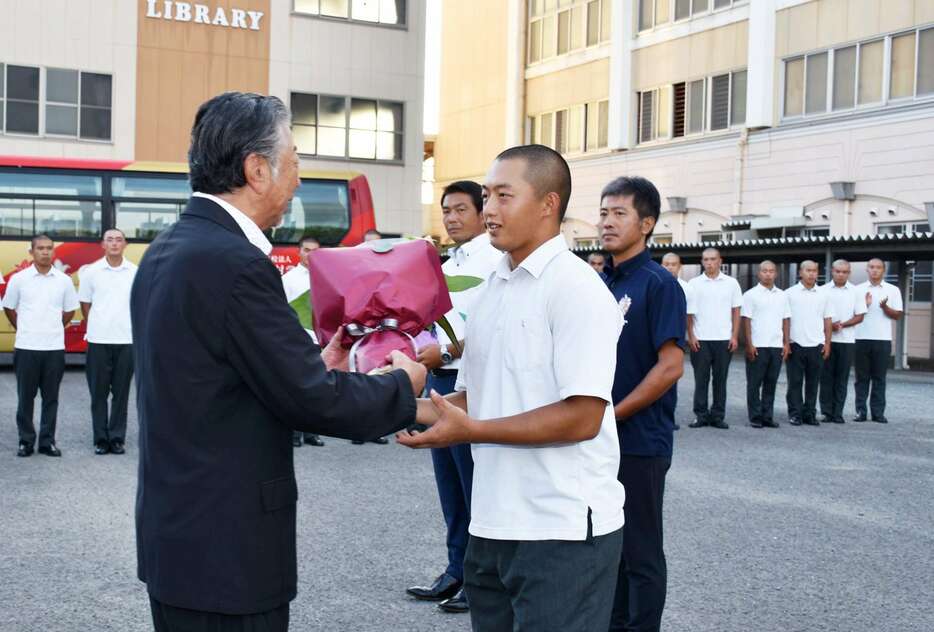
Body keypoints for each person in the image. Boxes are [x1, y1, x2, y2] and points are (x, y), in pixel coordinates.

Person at [131, 92, 426, 632]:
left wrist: (316, 362)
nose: (297, 178)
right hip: (227, 552)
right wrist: (403, 386)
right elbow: (314, 402)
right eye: (294, 161)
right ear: (257, 169)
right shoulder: (236, 263)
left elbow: (220, 377)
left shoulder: (168, 248)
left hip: (181, 537)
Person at [399, 144, 625, 632]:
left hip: (560, 530)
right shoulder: (492, 288)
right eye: (486, 196)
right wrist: (395, 400)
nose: (490, 210)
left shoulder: (576, 289)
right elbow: (476, 398)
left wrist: (470, 428)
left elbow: (583, 416)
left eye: (504, 195)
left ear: (548, 204)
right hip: (493, 524)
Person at [407, 180, 502, 615]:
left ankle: (479, 578)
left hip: (469, 382)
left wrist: (445, 349)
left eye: (461, 209)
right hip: (438, 378)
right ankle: (455, 568)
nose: (451, 217)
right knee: (449, 484)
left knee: (472, 483)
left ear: (482, 212)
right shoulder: (449, 262)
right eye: (446, 210)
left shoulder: (493, 261)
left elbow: (488, 329)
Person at [598, 177, 685, 632]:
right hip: (596, 436)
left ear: (646, 224)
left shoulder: (659, 284)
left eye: (620, 214)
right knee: (608, 544)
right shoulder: (599, 282)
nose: (607, 222)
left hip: (639, 441)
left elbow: (670, 367)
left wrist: (614, 415)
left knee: (641, 550)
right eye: (604, 212)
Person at [3, 234, 79, 458]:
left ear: (53, 252)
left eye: (49, 248)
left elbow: (69, 311)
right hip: (27, 347)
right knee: (25, 397)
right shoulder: (19, 279)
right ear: (31, 252)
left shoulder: (63, 280)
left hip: (54, 348)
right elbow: (9, 307)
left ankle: (47, 442)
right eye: (40, 248)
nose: (45, 252)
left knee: (51, 398)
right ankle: (26, 441)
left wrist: (55, 326)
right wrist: (23, 328)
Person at [78, 228, 137, 455]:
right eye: (109, 240)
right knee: (99, 393)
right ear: (102, 245)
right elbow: (85, 304)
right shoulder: (91, 272)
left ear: (125, 245)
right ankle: (101, 439)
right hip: (98, 340)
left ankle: (117, 438)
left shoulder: (135, 271)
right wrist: (98, 324)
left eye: (118, 240)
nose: (114, 243)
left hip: (126, 340)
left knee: (121, 394)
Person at [686, 248, 741, 429]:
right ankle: (701, 415)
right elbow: (689, 313)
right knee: (701, 380)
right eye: (706, 259)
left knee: (720, 380)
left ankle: (717, 416)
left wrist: (734, 336)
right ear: (702, 262)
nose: (709, 263)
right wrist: (691, 335)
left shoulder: (731, 283)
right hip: (700, 339)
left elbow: (736, 311)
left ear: (720, 261)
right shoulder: (694, 283)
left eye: (713, 259)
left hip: (723, 339)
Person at [280, 235, 325, 447]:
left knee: (317, 389)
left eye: (315, 250)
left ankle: (311, 433)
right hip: (297, 341)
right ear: (299, 252)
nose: (310, 255)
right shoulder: (289, 279)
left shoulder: (326, 277)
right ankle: (294, 434)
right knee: (296, 388)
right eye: (307, 250)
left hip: (320, 341)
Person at [740, 261, 790, 429]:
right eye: (764, 271)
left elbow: (786, 320)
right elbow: (746, 321)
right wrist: (749, 344)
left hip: (775, 345)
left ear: (776, 274)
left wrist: (786, 343)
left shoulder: (782, 295)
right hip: (758, 345)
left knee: (771, 382)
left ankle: (767, 416)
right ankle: (755, 416)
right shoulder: (750, 295)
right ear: (759, 273)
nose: (768, 274)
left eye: (771, 271)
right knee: (754, 383)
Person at [853, 258, 903, 423]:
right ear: (867, 269)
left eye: (878, 268)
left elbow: (898, 315)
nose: (875, 270)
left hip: (882, 339)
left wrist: (885, 308)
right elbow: (853, 314)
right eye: (872, 267)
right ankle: (860, 411)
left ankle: (878, 413)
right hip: (861, 338)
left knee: (879, 378)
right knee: (861, 378)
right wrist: (865, 306)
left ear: (884, 270)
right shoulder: (857, 290)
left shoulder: (893, 290)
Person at [819, 260, 867, 424]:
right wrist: (830, 326)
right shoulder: (822, 291)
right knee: (826, 377)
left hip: (847, 340)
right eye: (838, 271)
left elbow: (860, 315)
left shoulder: (856, 291)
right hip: (827, 340)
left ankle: (838, 413)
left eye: (845, 272)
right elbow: (816, 315)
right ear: (832, 271)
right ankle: (826, 412)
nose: (841, 274)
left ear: (849, 273)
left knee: (841, 378)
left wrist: (843, 325)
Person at [785, 261, 833, 426]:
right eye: (808, 270)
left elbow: (827, 320)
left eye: (814, 270)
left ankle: (810, 414)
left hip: (816, 345)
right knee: (795, 382)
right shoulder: (789, 294)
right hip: (795, 344)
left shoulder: (824, 294)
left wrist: (827, 343)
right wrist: (786, 343)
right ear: (800, 272)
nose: (812, 274)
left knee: (813, 383)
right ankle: (795, 414)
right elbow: (785, 320)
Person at [660, 252, 692, 430]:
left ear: (679, 267)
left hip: (676, 340)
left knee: (671, 382)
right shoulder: (656, 284)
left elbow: (690, 317)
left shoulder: (687, 288)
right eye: (666, 264)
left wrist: (688, 339)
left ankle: (668, 419)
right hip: (658, 339)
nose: (669, 267)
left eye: (673, 264)